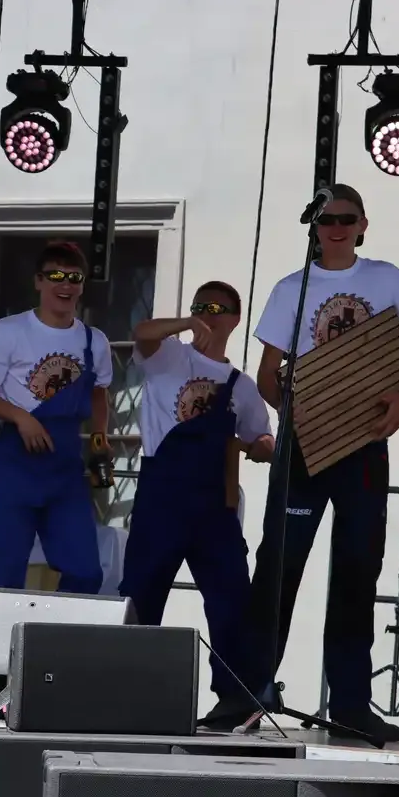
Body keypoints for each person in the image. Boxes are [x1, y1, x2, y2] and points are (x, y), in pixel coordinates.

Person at [249, 183, 399, 742]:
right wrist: (297, 410)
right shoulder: (291, 288)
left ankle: (350, 705)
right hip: (303, 449)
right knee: (278, 568)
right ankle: (247, 695)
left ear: (363, 224)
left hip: (365, 444)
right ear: (314, 228)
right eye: (327, 220)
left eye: (347, 219)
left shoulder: (385, 278)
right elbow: (267, 375)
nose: (337, 228)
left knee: (357, 572)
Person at [121, 281, 276, 726]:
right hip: (162, 497)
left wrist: (262, 447)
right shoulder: (170, 356)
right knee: (141, 597)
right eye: (201, 306)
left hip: (214, 506)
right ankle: (126, 693)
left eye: (218, 308)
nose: (209, 313)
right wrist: (185, 323)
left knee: (231, 602)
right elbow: (142, 332)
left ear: (236, 319)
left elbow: (261, 437)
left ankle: (234, 700)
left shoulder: (242, 386)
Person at [0, 241, 113, 594]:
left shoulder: (94, 341)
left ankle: (53, 631)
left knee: (86, 573)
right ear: (38, 281)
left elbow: (99, 393)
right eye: (56, 276)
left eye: (74, 278)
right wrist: (21, 418)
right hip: (17, 463)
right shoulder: (9, 331)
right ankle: (3, 632)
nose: (65, 285)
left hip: (66, 469)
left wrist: (99, 440)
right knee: (1, 576)